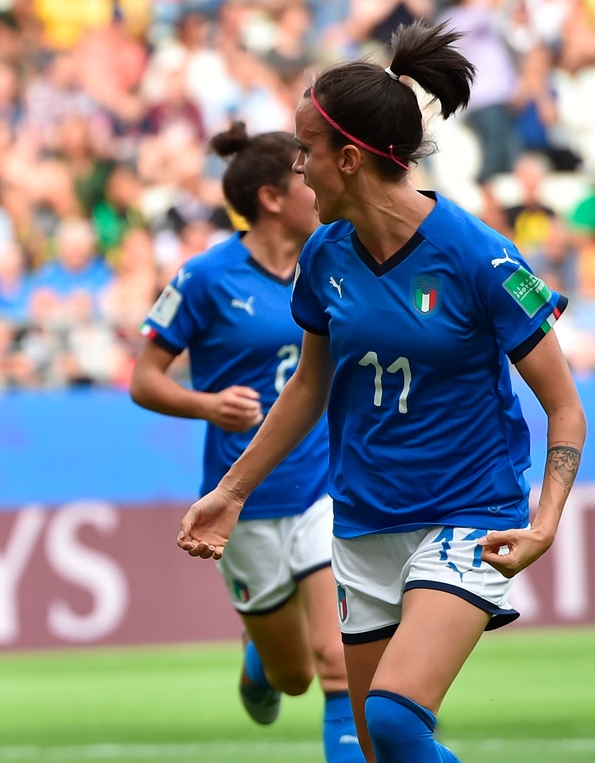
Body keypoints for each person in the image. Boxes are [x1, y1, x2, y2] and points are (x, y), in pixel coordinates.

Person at [177, 21, 586, 763]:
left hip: (465, 516)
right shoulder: (324, 254)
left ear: (350, 158)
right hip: (363, 524)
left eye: (306, 150)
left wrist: (547, 520)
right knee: (378, 750)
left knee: (396, 722)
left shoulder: (482, 258)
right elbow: (309, 386)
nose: (299, 169)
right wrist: (231, 493)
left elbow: (564, 405)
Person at [130, 122, 362, 763]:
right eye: (303, 175)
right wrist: (207, 404)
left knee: (336, 658)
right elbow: (144, 380)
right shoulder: (206, 277)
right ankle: (260, 659)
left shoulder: (335, 259)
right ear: (271, 197)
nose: (317, 184)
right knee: (295, 675)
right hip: (244, 501)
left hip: (323, 486)